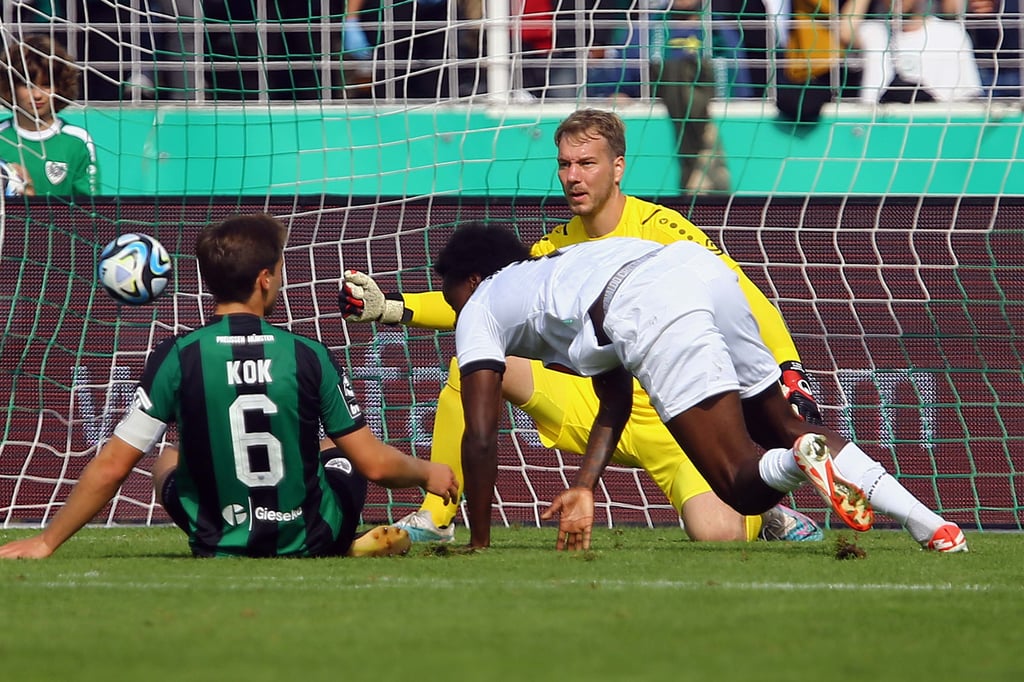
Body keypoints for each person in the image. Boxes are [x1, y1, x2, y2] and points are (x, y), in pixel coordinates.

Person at [341, 108, 832, 547]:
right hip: (597, 406)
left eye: (587, 164)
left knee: (719, 535)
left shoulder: (665, 229)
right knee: (471, 364)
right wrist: (393, 308)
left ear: (618, 168)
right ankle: (438, 514)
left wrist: (788, 369)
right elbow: (481, 311)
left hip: (678, 420)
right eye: (564, 165)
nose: (573, 177)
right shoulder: (555, 246)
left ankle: (764, 508)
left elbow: (745, 298)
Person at [435, 223, 968, 554]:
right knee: (783, 426)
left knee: (738, 481)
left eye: (450, 296)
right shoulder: (559, 270)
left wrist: (480, 541)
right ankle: (934, 525)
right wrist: (585, 485)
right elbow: (614, 399)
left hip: (645, 302)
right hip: (696, 270)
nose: (456, 309)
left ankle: (793, 464)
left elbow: (481, 436)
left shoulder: (481, 305)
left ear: (474, 281)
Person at [0, 213, 459, 560]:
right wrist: (428, 473)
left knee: (169, 457)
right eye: (278, 269)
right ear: (264, 280)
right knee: (336, 452)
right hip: (311, 536)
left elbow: (113, 467)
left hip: (216, 535)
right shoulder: (308, 354)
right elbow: (376, 466)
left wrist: (46, 540)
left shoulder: (178, 355)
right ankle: (343, 543)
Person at [0, 35, 99, 197]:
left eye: (46, 85)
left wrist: (32, 201)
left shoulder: (77, 142)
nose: (37, 95)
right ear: (11, 87)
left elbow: (90, 213)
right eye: (27, 85)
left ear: (60, 87)